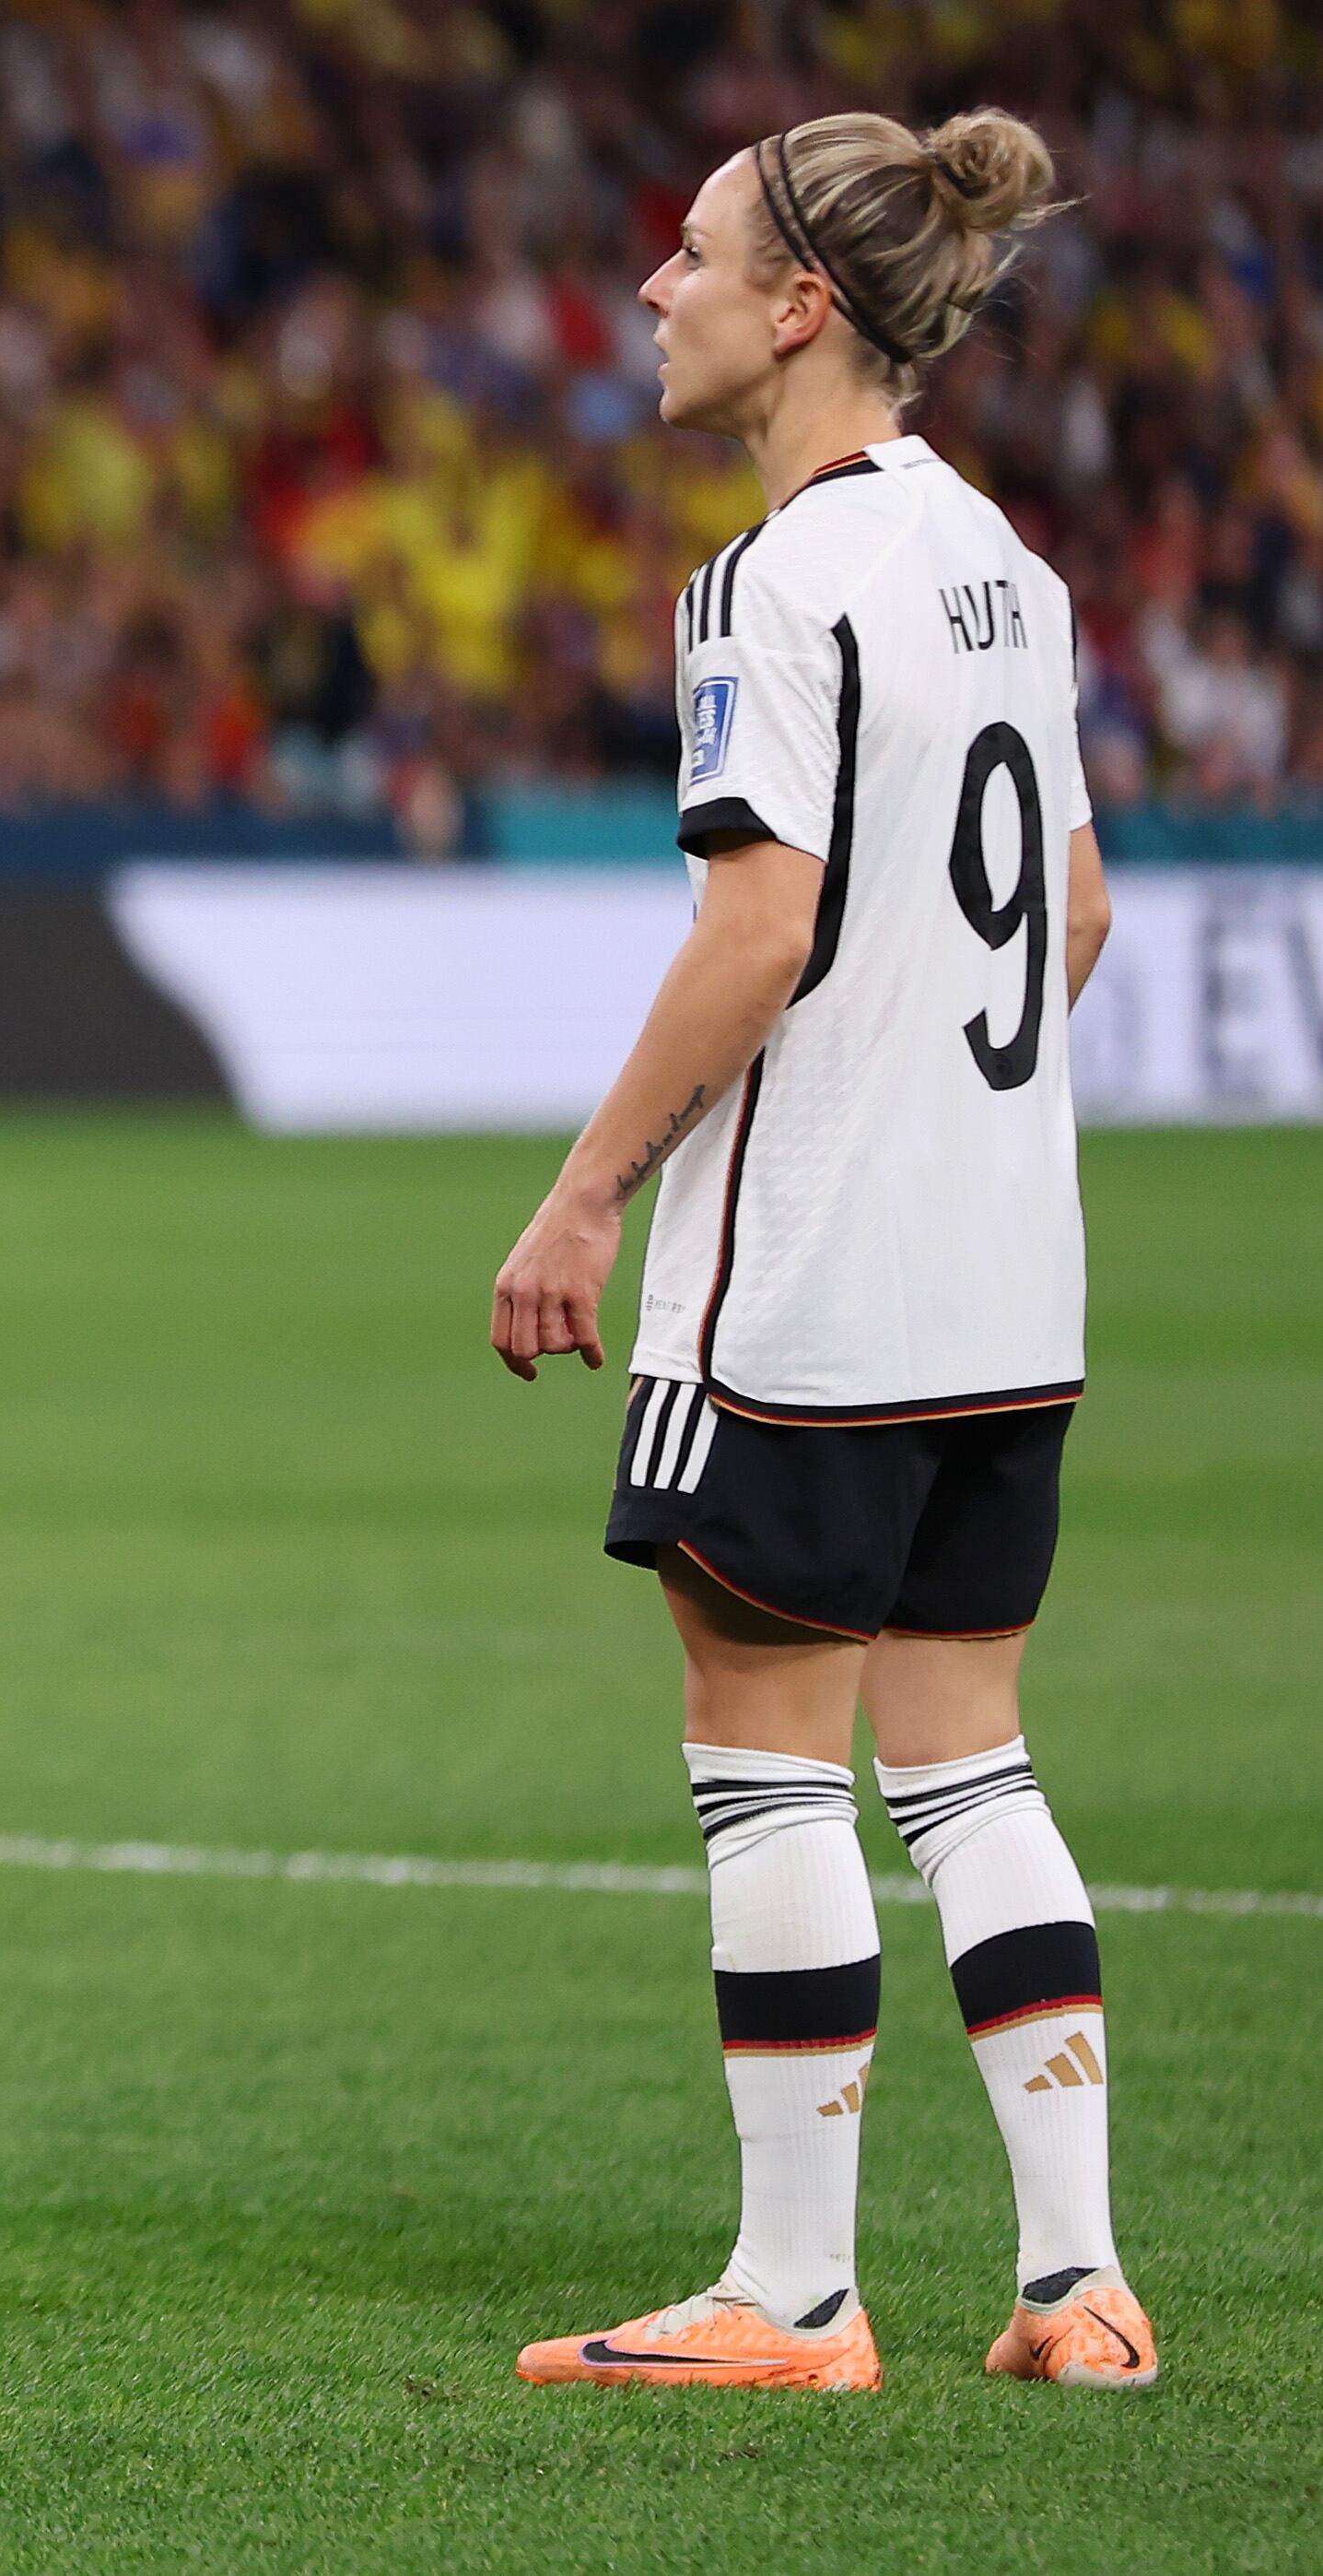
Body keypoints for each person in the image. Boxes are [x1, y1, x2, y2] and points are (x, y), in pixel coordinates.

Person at [488, 112, 1153, 2394]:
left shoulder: (770, 584)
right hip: (1011, 1277)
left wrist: (585, 1189)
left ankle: (792, 2296)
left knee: (761, 1754)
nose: (646, 292)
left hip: (808, 1295)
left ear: (799, 311)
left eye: (686, 257)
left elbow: (756, 933)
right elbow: (1072, 911)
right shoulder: (1007, 561)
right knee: (970, 1753)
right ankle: (1080, 2284)